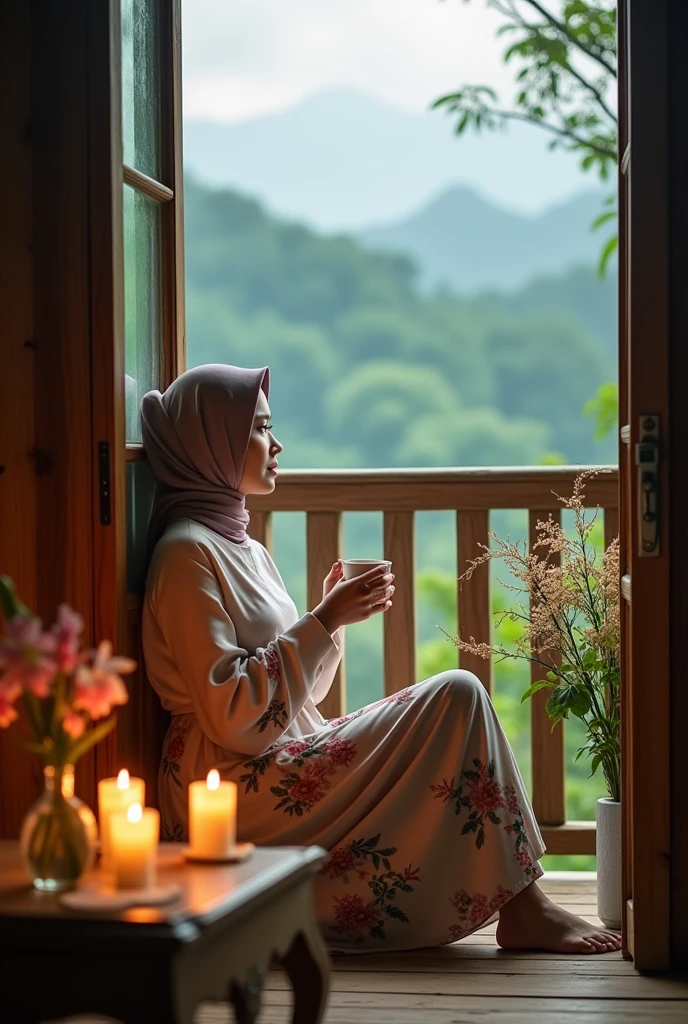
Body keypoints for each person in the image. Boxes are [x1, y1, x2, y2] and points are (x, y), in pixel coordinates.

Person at [141, 364, 621, 955]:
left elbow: (302, 696)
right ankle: (525, 906)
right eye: (260, 430)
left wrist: (327, 619)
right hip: (230, 785)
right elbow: (232, 714)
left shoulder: (242, 546)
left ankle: (524, 903)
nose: (277, 444)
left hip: (276, 754)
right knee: (457, 694)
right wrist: (323, 622)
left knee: (456, 700)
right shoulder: (186, 554)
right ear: (210, 446)